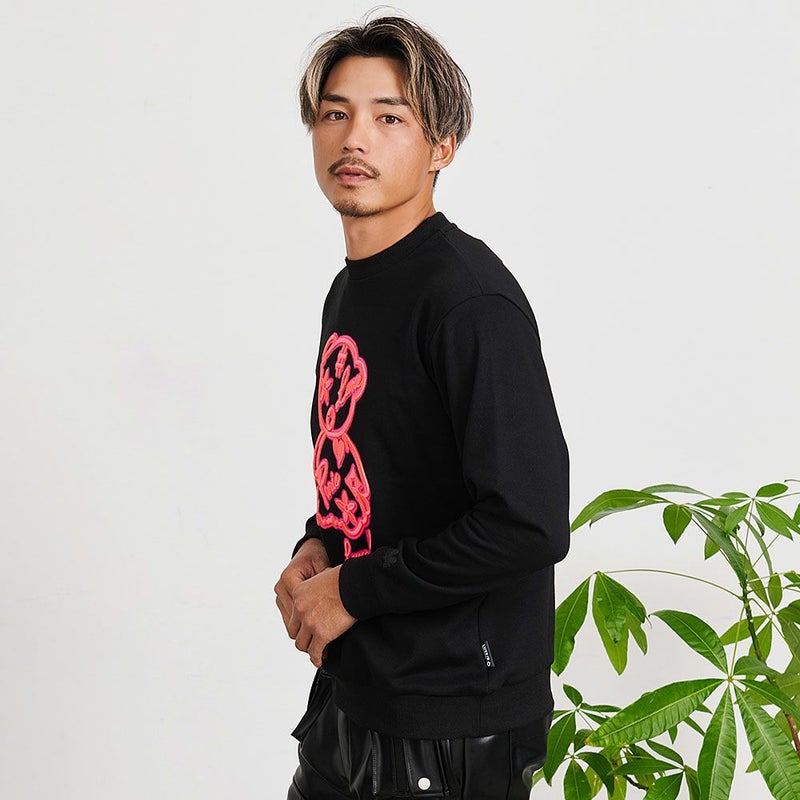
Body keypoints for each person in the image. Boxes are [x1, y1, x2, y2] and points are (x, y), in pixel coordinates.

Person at [274, 14, 570, 800]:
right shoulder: (352, 289)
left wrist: (353, 590)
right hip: (356, 692)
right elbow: (384, 468)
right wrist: (320, 544)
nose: (354, 139)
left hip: (452, 721)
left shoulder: (468, 301)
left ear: (441, 147)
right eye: (335, 113)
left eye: (389, 117)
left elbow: (529, 522)